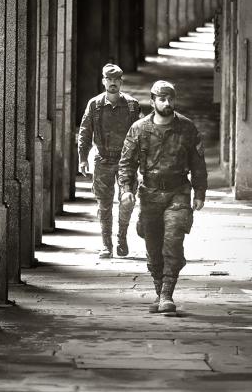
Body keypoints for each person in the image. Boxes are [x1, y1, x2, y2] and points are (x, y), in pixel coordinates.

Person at [118, 79, 208, 315]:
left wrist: (200, 192)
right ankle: (160, 291)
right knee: (153, 247)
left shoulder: (187, 128)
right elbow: (126, 163)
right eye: (162, 99)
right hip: (149, 194)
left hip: (178, 192)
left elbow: (198, 164)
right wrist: (126, 189)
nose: (167, 103)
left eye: (170, 99)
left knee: (173, 241)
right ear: (153, 101)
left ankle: (167, 294)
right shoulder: (139, 129)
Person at [77, 63, 141, 258]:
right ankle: (107, 244)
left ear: (121, 82)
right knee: (104, 204)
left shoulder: (131, 105)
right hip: (103, 160)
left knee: (127, 201)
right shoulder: (95, 105)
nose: (113, 83)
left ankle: (122, 237)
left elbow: (140, 136)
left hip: (125, 162)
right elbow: (85, 132)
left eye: (116, 80)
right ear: (104, 81)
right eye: (109, 79)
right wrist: (82, 158)